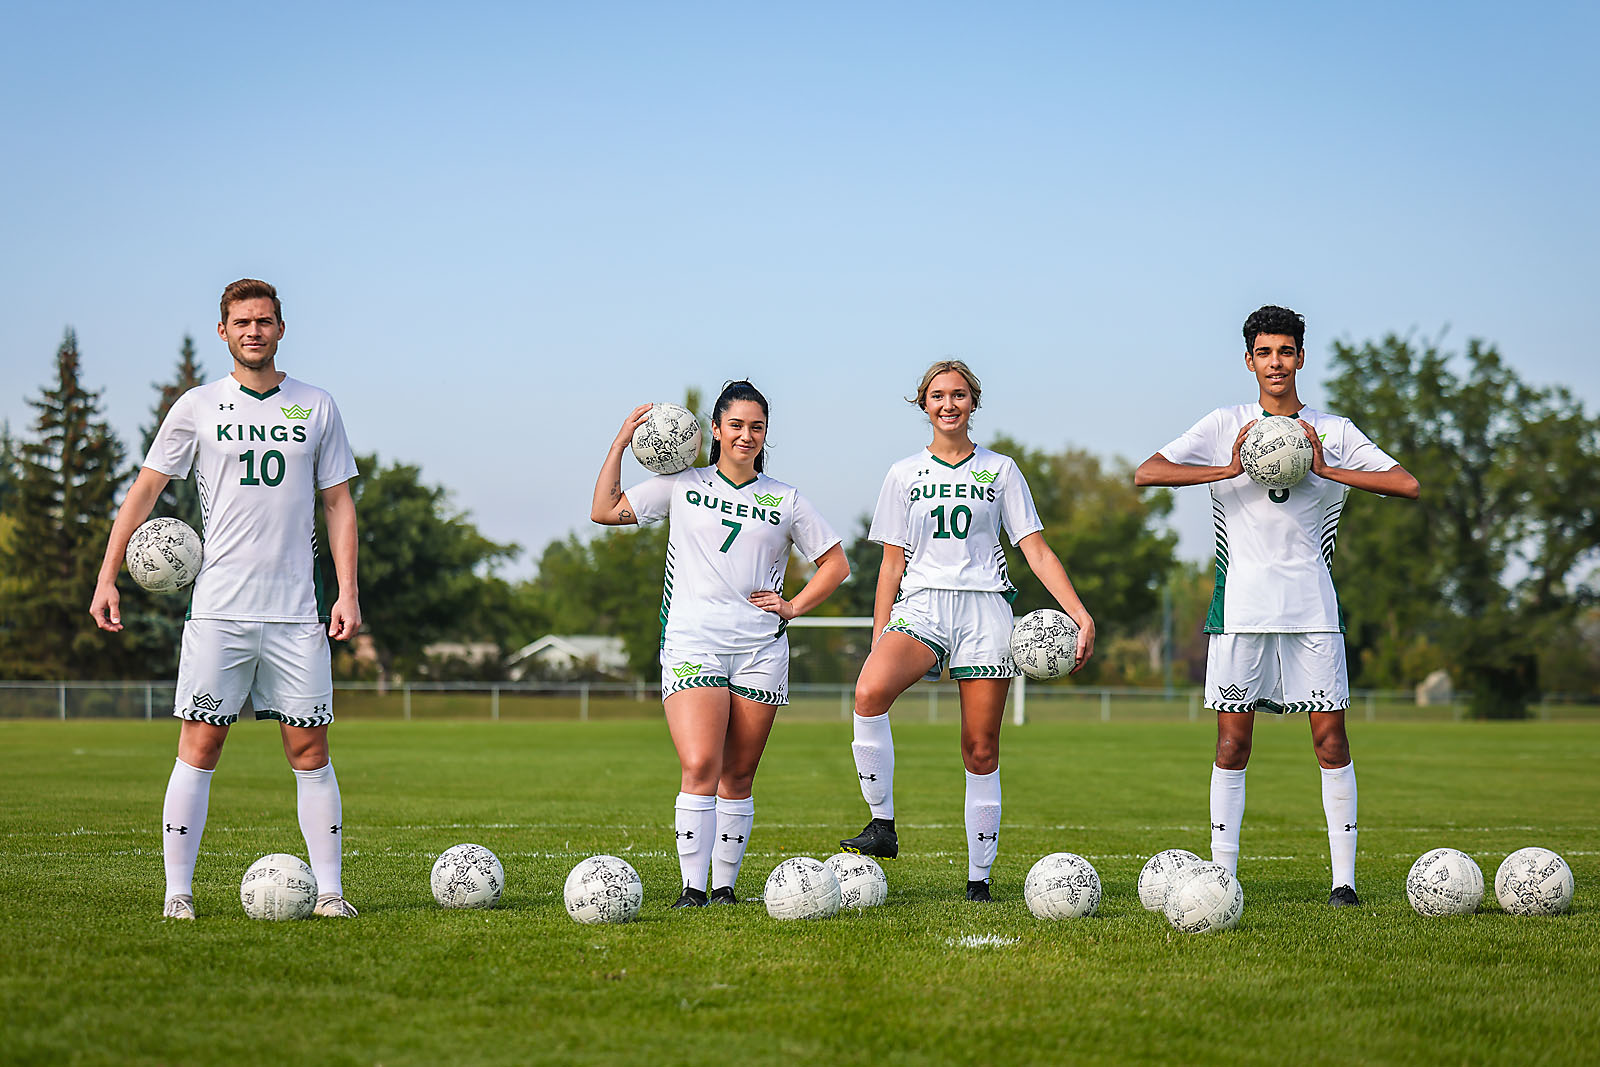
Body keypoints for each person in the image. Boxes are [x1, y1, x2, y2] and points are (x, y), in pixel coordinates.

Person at [90, 279, 362, 919]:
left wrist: (347, 591)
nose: (254, 332)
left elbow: (339, 503)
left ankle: (330, 895)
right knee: (200, 743)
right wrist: (108, 574)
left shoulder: (316, 406)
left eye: (265, 321)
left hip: (297, 612)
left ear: (281, 328)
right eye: (242, 322)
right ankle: (177, 896)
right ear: (223, 331)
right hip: (219, 612)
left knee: (310, 751)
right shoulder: (198, 406)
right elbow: (145, 490)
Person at [1134, 305, 1419, 906]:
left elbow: (1406, 484)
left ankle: (1343, 882)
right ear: (1249, 361)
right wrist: (1231, 467)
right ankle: (1223, 878)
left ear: (1301, 357)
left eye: (1285, 351)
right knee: (1233, 744)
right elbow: (1147, 472)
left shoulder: (1332, 430)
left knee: (1331, 741)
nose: (1276, 363)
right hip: (1238, 609)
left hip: (1313, 608)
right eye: (1264, 353)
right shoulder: (1224, 424)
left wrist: (1324, 467)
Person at [838, 360, 1096, 902]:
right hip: (923, 604)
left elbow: (1035, 549)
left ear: (973, 403)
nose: (948, 404)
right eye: (937, 396)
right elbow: (891, 562)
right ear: (923, 404)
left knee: (980, 749)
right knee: (868, 692)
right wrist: (879, 629)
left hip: (985, 611)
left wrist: (1079, 612)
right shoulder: (902, 473)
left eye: (958, 395)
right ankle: (882, 825)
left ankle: (978, 878)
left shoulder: (1001, 470)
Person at [591, 381, 849, 907]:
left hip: (760, 649)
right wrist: (621, 442)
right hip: (694, 642)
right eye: (736, 425)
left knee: (738, 773)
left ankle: (725, 888)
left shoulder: (785, 498)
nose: (746, 436)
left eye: (757, 427)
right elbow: (604, 509)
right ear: (714, 429)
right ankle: (692, 889)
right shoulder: (680, 484)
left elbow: (836, 564)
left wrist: (793, 607)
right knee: (700, 765)